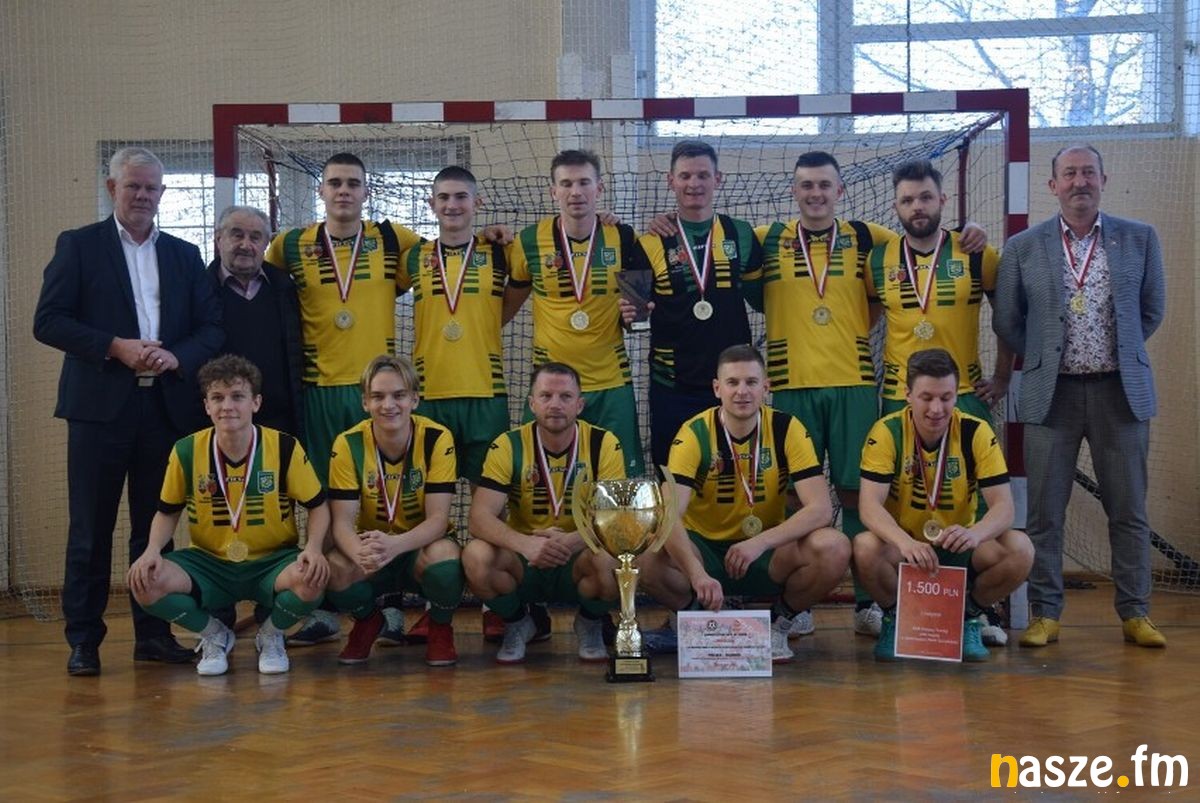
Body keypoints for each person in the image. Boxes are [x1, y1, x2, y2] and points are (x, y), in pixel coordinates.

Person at [33, 146, 223, 676]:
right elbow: (48, 321)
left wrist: (176, 356)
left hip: (164, 409)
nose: (142, 195)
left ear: (163, 193)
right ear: (112, 188)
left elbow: (211, 328)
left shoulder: (184, 255)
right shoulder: (78, 246)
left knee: (155, 531)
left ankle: (154, 635)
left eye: (151, 187)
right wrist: (114, 346)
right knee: (89, 530)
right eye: (133, 185)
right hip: (98, 411)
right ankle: (84, 641)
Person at [993, 145, 1167, 649]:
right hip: (1052, 394)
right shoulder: (1023, 247)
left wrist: (1120, 349)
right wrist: (1043, 356)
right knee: (1045, 513)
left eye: (1088, 172)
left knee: (1128, 510)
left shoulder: (1140, 238)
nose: (1079, 181)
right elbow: (1007, 319)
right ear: (1053, 185)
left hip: (1120, 392)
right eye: (1069, 174)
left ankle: (1136, 613)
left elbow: (1151, 309)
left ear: (1103, 180)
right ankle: (1045, 614)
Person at [265, 152, 422, 648]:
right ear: (321, 190)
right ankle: (324, 607)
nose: (344, 191)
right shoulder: (289, 246)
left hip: (378, 396)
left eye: (353, 183)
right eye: (335, 182)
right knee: (321, 502)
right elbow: (254, 283)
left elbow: (452, 255)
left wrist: (495, 238)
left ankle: (389, 604)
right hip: (318, 392)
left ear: (366, 191)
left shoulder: (394, 240)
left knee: (382, 498)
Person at [637, 345, 850, 664]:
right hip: (705, 551)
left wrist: (760, 542)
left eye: (751, 382)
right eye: (732, 382)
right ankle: (700, 620)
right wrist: (696, 573)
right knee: (644, 556)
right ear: (717, 388)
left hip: (766, 553)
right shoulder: (694, 433)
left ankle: (779, 623)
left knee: (835, 546)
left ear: (766, 387)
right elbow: (668, 516)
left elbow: (820, 508)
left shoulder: (787, 428)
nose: (742, 391)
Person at [126, 355, 331, 676]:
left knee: (313, 578)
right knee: (144, 583)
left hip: (272, 561)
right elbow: (167, 512)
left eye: (237, 396)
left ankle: (271, 634)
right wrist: (152, 550)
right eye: (217, 397)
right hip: (210, 563)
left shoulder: (284, 447)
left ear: (256, 403)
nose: (227, 406)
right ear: (206, 405)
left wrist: (314, 548)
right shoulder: (186, 450)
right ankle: (215, 635)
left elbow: (318, 505)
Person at [398, 166, 521, 644]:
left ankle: (494, 604)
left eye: (461, 197)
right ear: (431, 204)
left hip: (486, 394)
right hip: (429, 397)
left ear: (477, 203)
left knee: (492, 505)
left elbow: (513, 299)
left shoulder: (500, 252)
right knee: (431, 504)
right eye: (444, 197)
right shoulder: (413, 257)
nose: (452, 205)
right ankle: (438, 606)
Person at [854, 348, 1033, 662]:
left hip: (960, 546)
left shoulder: (976, 431)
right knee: (865, 546)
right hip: (908, 550)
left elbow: (1004, 508)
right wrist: (905, 542)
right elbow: (869, 506)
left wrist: (975, 534)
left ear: (956, 395)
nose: (936, 409)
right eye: (926, 397)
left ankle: (967, 618)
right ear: (908, 395)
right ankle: (897, 620)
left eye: (946, 398)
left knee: (1020, 549)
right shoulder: (887, 432)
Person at [463, 362, 625, 664]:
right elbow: (478, 518)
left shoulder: (604, 443)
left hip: (580, 559)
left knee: (616, 558)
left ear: (579, 405)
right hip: (526, 560)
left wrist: (572, 541)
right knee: (476, 556)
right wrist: (526, 544)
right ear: (532, 403)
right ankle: (517, 622)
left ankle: (589, 622)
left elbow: (617, 516)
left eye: (565, 397)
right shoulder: (508, 445)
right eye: (546, 396)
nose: (555, 404)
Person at [506, 149, 645, 476]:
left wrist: (634, 317)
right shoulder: (528, 241)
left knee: (620, 485)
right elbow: (503, 310)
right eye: (566, 184)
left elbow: (639, 321)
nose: (576, 192)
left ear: (599, 188)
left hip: (610, 384)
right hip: (550, 388)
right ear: (553, 191)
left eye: (584, 182)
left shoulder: (625, 237)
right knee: (540, 479)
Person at [625, 140, 763, 468]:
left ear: (718, 179)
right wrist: (629, 316)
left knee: (736, 474)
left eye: (703, 175)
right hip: (672, 386)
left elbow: (764, 301)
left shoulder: (742, 234)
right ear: (670, 181)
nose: (694, 184)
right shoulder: (647, 243)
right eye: (685, 176)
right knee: (673, 475)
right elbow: (633, 322)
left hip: (733, 385)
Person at [323, 355, 464, 666]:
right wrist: (360, 553)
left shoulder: (437, 438)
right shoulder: (347, 443)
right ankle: (367, 621)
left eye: (399, 395)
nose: (388, 405)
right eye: (378, 396)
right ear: (365, 402)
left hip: (419, 547)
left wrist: (395, 545)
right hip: (374, 549)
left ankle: (440, 627)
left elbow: (439, 520)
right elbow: (342, 523)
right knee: (333, 567)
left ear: (414, 399)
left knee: (446, 559)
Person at [867, 159, 1012, 421]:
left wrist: (1002, 377)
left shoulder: (977, 253)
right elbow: (865, 322)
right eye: (907, 200)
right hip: (900, 395)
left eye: (926, 198)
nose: (917, 207)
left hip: (964, 391)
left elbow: (1007, 318)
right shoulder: (876, 260)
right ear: (895, 207)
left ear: (942, 200)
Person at [207, 205, 304, 438]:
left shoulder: (286, 288)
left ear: (266, 244)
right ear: (218, 239)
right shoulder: (199, 290)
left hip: (279, 419)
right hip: (221, 419)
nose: (245, 245)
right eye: (237, 235)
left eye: (255, 237)